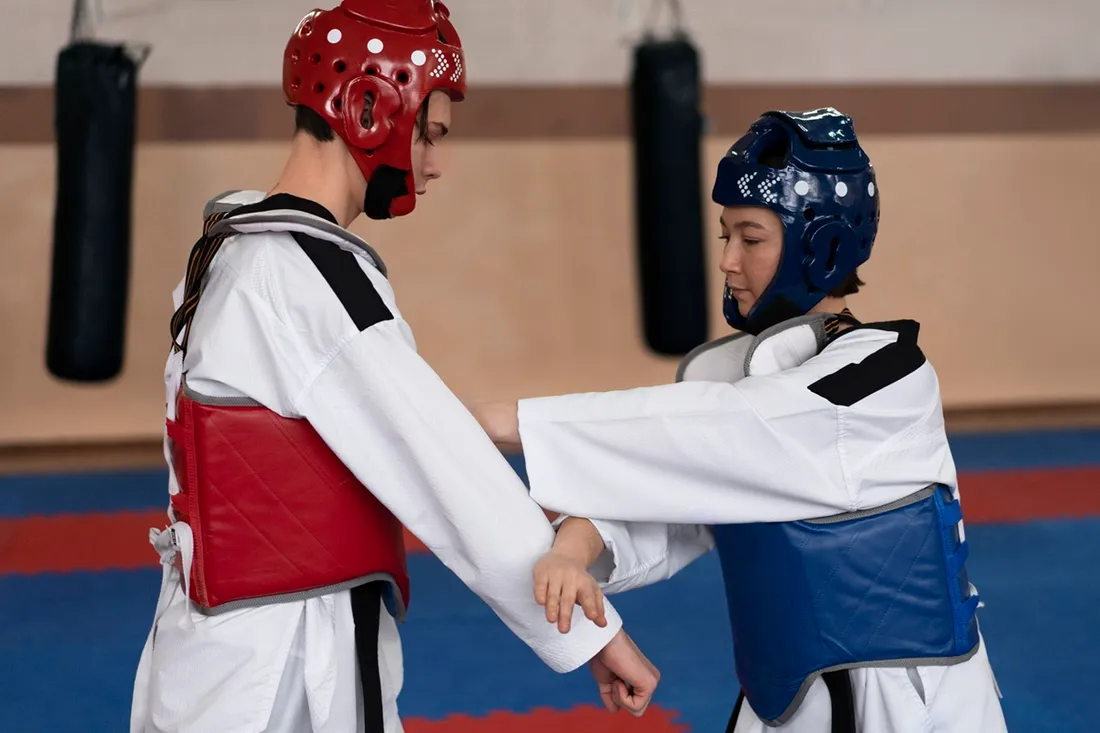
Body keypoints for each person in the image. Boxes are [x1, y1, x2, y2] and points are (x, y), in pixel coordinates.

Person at [128, 2, 659, 732]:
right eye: (430, 134)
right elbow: (442, 464)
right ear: (370, 108)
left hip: (211, 648)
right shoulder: (309, 274)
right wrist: (592, 631)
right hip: (287, 659)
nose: (435, 164)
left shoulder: (227, 250)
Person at [467, 108, 1008, 733]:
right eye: (724, 236)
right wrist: (575, 546)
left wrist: (505, 420)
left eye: (750, 239)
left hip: (907, 700)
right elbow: (682, 498)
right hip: (783, 701)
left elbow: (741, 431)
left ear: (821, 245)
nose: (726, 261)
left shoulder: (887, 377)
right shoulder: (738, 383)